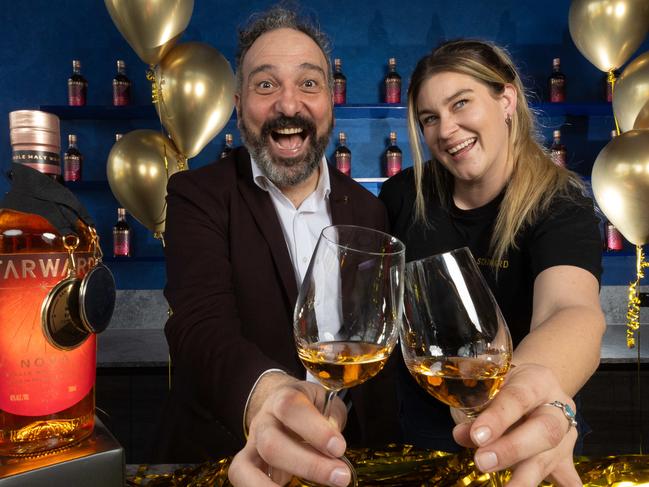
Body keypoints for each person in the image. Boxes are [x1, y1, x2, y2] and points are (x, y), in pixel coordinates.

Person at [154, 4, 400, 477]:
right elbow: (199, 324)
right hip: (227, 460)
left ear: (331, 99)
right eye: (266, 85)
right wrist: (268, 397)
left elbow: (372, 344)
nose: (288, 105)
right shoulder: (197, 195)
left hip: (347, 459)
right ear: (237, 103)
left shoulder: (370, 210)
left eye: (308, 83)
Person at [378, 39, 606, 486]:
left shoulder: (559, 204)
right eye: (429, 118)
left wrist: (516, 399)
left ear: (506, 99)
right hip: (417, 437)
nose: (445, 129)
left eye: (461, 103)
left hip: (528, 431)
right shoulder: (405, 195)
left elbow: (570, 310)